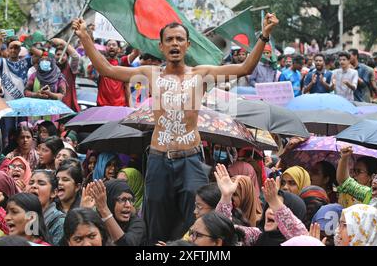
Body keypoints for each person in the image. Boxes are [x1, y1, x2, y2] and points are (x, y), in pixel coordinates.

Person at [72, 13, 279, 244]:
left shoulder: (202, 75)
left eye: (179, 39)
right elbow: (108, 70)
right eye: (169, 39)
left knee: (196, 221)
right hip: (159, 160)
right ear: (161, 46)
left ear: (187, 45)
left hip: (190, 160)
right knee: (157, 222)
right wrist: (85, 39)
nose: (174, 44)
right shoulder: (151, 74)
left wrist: (264, 35)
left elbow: (245, 68)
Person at [214, 164, 308, 246]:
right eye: (269, 206)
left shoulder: (299, 241)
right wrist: (226, 197)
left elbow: (301, 238)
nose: (271, 211)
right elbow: (224, 229)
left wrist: (275, 203)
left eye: (276, 207)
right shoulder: (257, 236)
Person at [82, 179, 146, 246]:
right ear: (109, 201)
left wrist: (104, 209)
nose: (128, 205)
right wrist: (84, 212)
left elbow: (127, 244)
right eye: (123, 200)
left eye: (130, 200)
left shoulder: (137, 224)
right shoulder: (97, 220)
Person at [26, 169, 65, 246]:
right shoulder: (28, 215)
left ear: (54, 193)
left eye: (41, 183)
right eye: (31, 183)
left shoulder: (61, 223)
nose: (33, 186)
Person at [51, 38, 81, 112]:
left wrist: (62, 42)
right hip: (53, 106)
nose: (60, 57)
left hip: (67, 106)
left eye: (63, 55)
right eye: (58, 54)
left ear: (67, 57)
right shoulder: (51, 69)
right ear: (54, 56)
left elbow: (76, 57)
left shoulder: (71, 68)